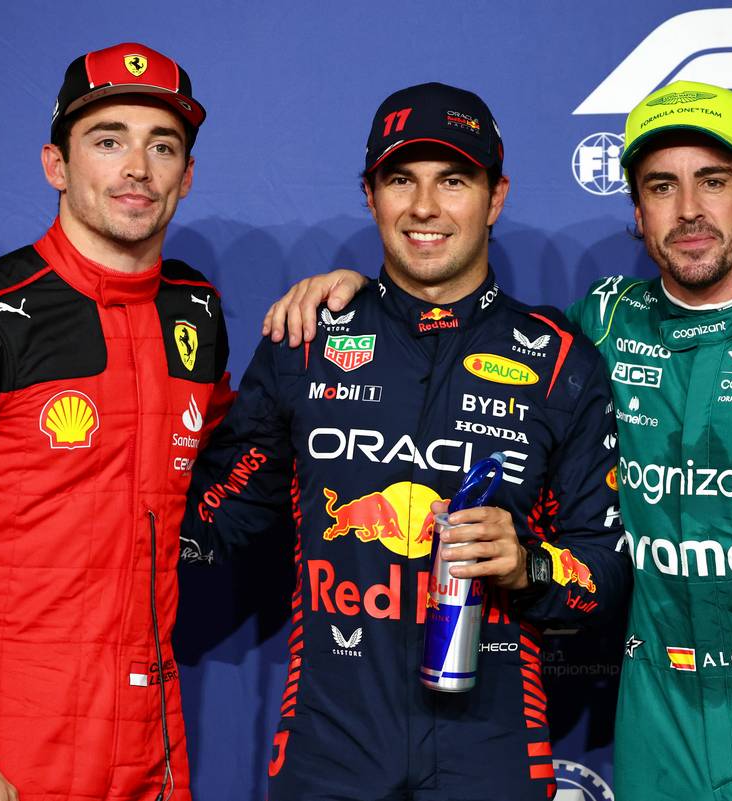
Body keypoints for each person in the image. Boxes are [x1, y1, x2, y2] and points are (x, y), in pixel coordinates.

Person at [262, 80, 732, 801]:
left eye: (713, 182)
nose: (688, 212)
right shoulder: (602, 328)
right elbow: (469, 326)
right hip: (658, 718)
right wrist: (363, 299)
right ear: (637, 209)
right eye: (660, 187)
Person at [183, 81, 631, 801]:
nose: (425, 207)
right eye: (401, 180)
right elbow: (222, 514)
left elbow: (606, 572)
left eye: (453, 180)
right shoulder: (306, 337)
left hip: (492, 747)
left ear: (496, 196)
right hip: (330, 745)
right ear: (371, 195)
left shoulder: (559, 363)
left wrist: (530, 568)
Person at [0, 42, 232, 801]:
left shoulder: (195, 309)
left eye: (162, 146)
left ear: (186, 176)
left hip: (155, 739)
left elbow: (211, 451)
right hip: (10, 743)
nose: (137, 167)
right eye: (107, 141)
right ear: (55, 165)